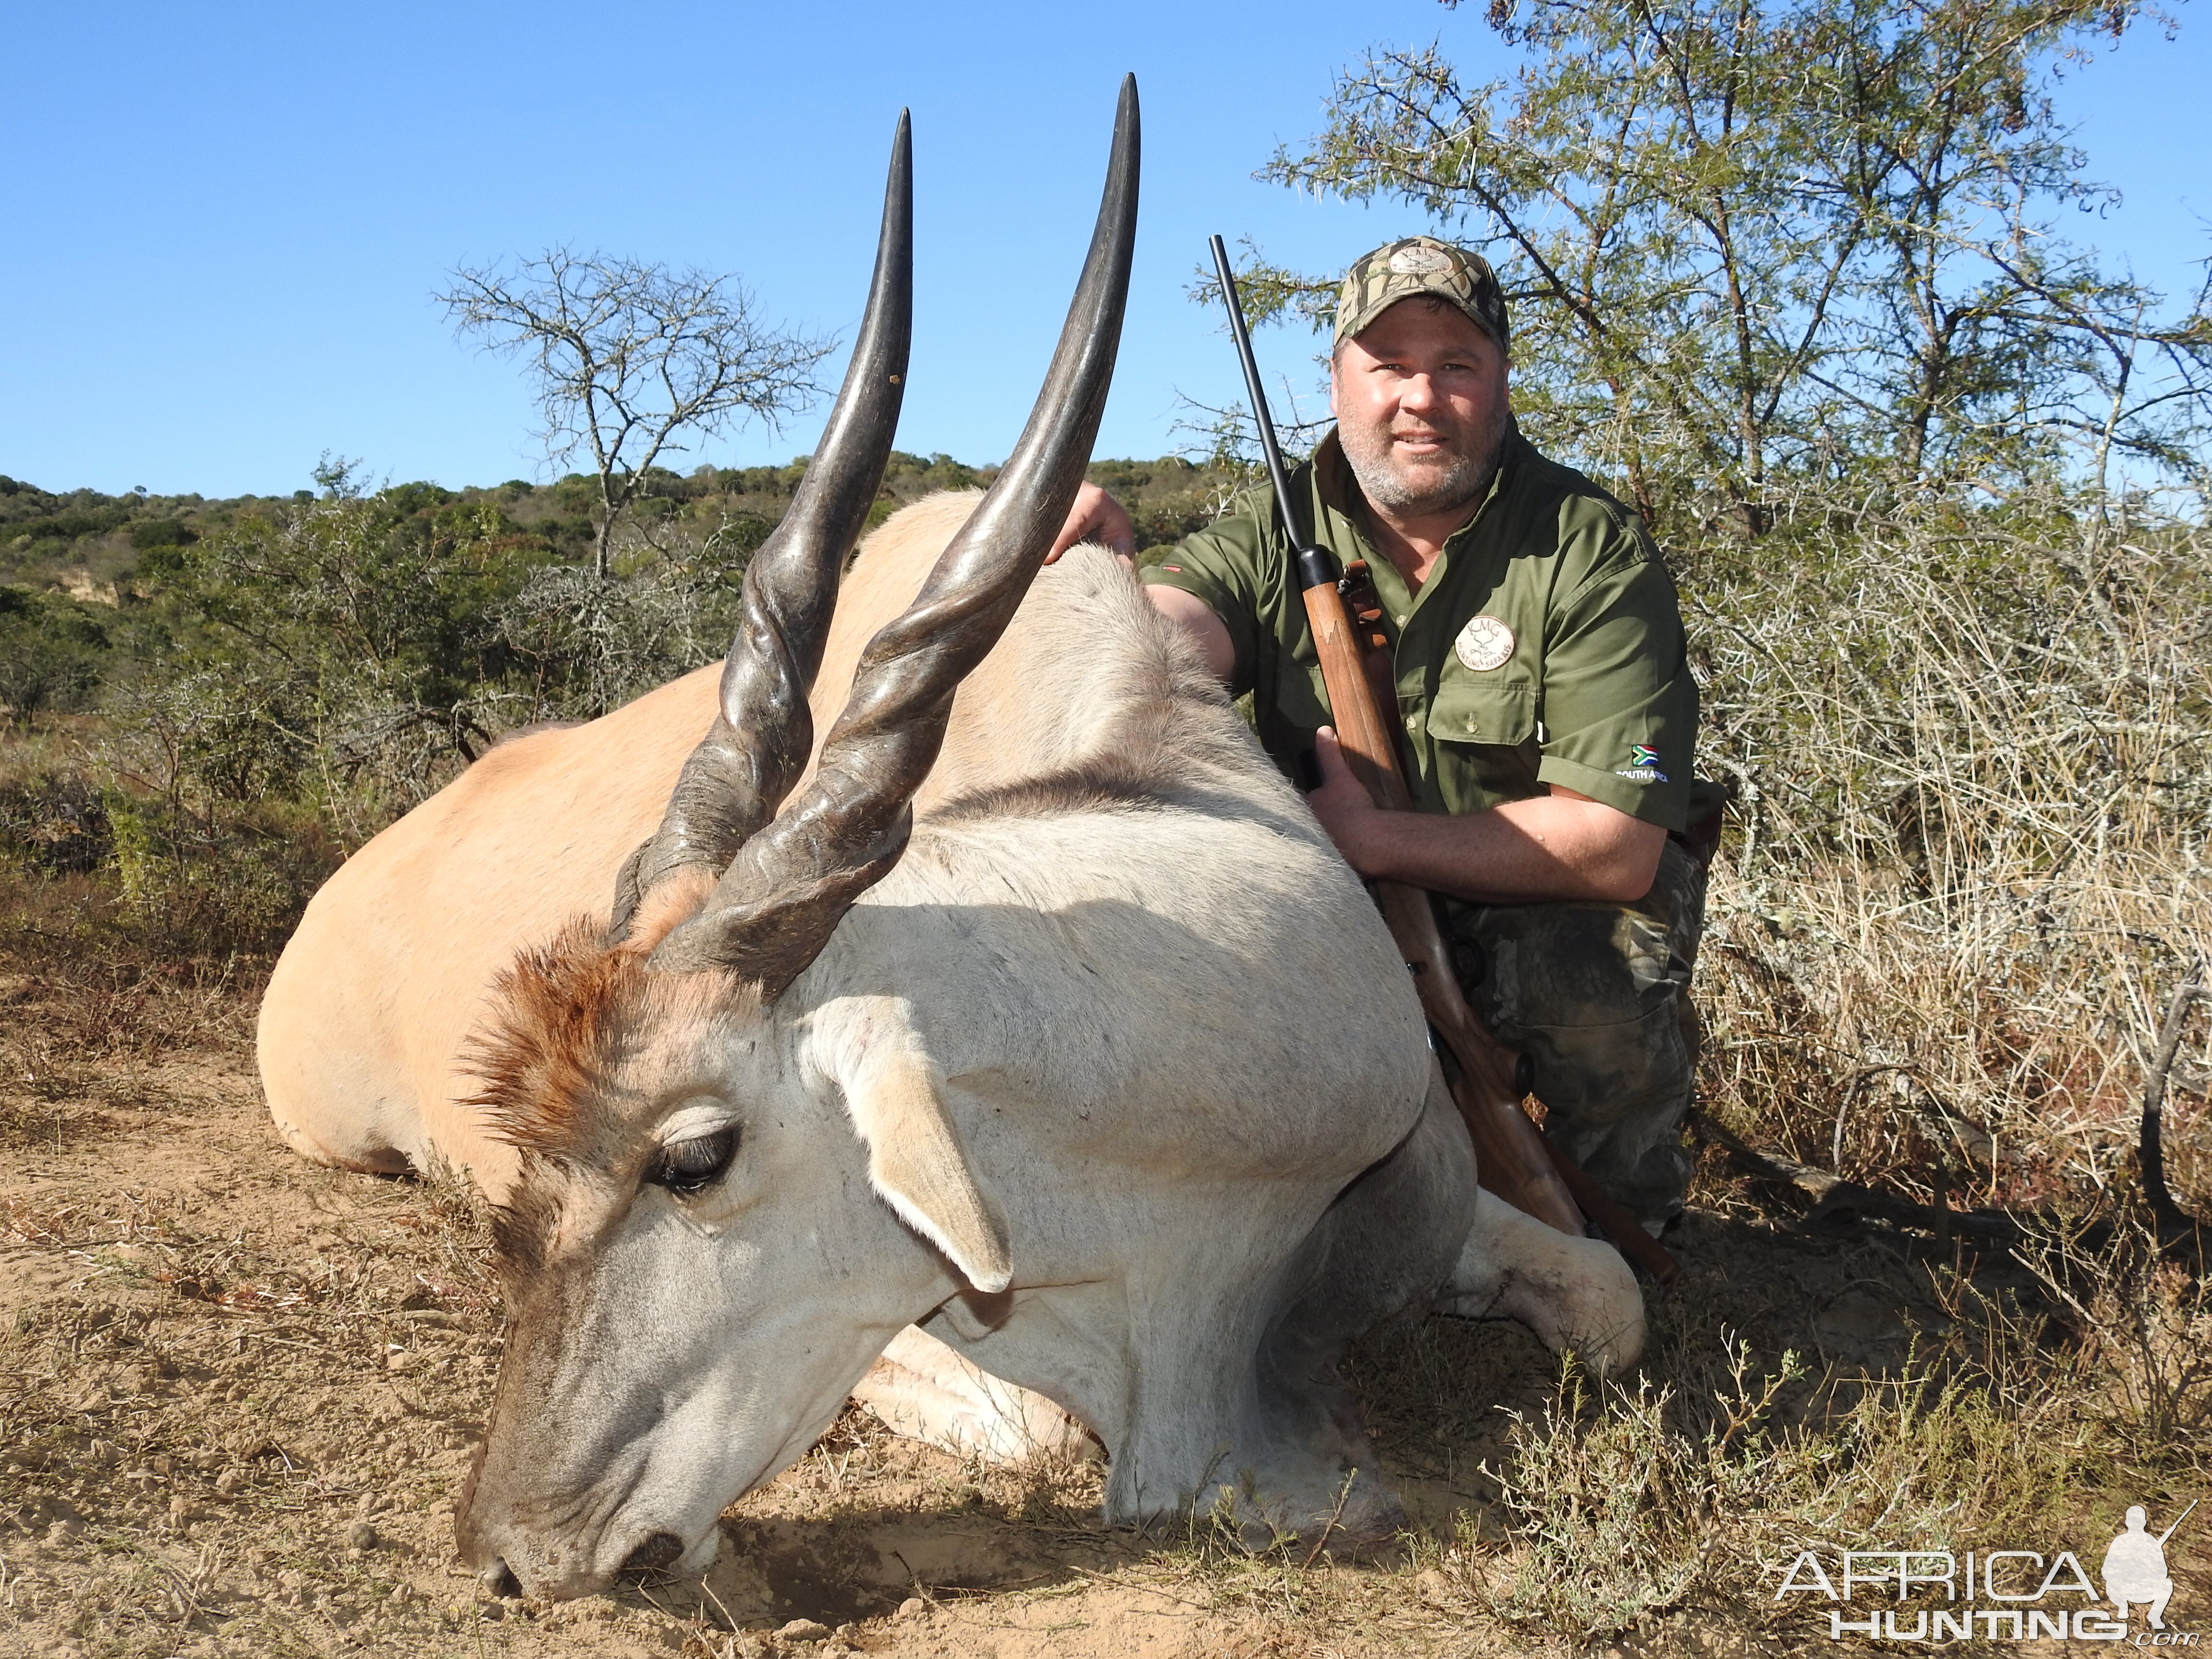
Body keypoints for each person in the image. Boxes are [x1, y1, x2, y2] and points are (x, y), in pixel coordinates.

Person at [1051, 236, 1722, 1235]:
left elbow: (1616, 847)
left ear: (1501, 382)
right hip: (1342, 900)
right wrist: (1087, 581)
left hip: (1540, 896)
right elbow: (1162, 637)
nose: (1421, 398)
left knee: (1600, 977)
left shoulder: (1588, 546)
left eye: (1456, 366)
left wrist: (1376, 842)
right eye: (1389, 366)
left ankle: (1628, 1223)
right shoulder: (1269, 535)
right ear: (1336, 381)